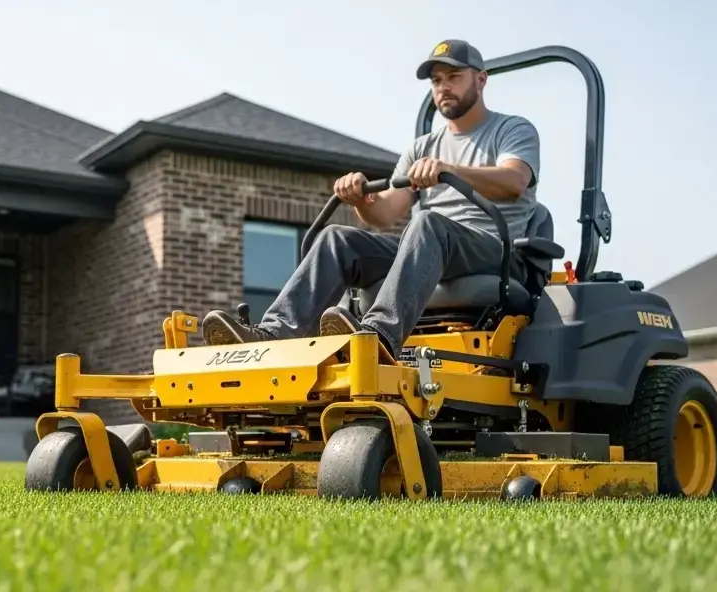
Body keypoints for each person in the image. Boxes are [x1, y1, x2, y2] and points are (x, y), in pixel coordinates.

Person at [199, 39, 544, 358]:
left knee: (428, 223)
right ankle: (273, 336)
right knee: (337, 239)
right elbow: (386, 213)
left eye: (453, 77)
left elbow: (514, 181)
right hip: (433, 244)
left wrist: (448, 170)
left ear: (481, 80)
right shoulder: (421, 148)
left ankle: (376, 337)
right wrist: (361, 200)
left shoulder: (512, 130)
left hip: (493, 249)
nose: (444, 87)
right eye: (437, 81)